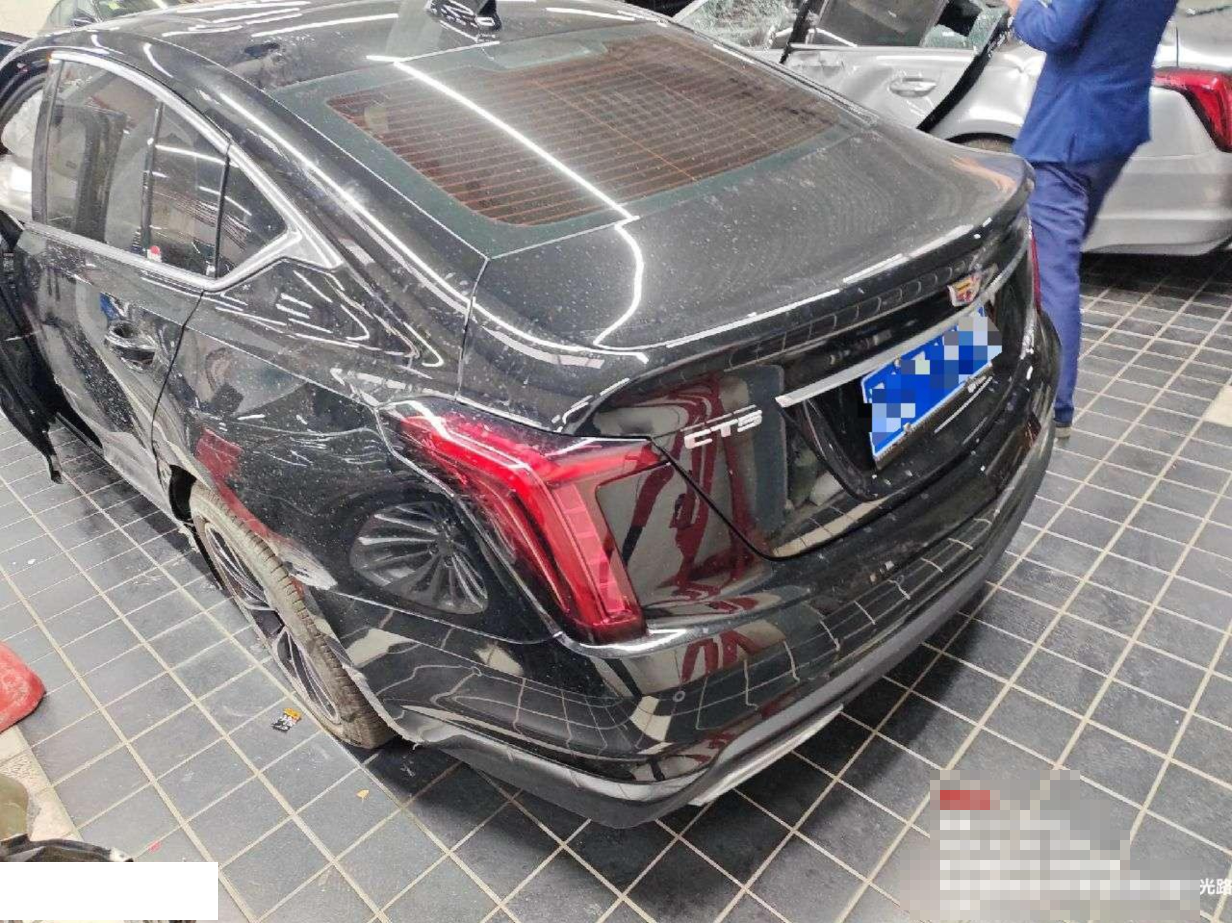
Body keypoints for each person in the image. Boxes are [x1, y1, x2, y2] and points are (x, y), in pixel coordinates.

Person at [1004, 0, 1177, 438]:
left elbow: (1055, 32)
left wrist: (1020, 6)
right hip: (1117, 125)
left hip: (1066, 133)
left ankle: (1053, 407)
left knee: (1048, 275)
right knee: (1053, 264)